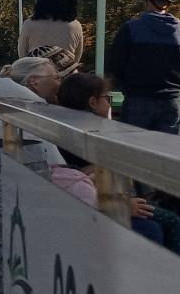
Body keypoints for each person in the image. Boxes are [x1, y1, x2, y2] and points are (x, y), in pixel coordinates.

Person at [53, 72, 165, 244]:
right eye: (107, 98)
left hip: (104, 207)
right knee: (163, 225)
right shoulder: (90, 139)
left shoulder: (62, 132)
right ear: (92, 102)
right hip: (103, 212)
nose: (110, 103)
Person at [107, 0, 180, 135]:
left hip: (137, 100)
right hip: (171, 103)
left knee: (133, 153)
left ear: (146, 1)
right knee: (167, 154)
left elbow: (115, 65)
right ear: (166, 4)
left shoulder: (131, 29)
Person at [0, 56, 66, 166]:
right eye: (56, 78)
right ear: (35, 82)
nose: (60, 83)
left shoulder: (6, 119)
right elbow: (57, 175)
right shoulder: (32, 122)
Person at [18, 0, 85, 75]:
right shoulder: (75, 25)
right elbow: (77, 57)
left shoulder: (29, 25)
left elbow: (23, 58)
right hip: (66, 79)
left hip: (38, 79)